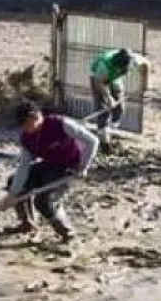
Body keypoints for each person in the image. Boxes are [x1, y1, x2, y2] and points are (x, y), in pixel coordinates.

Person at [10, 101, 99, 242]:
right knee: (14, 183)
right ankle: (28, 224)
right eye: (22, 126)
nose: (25, 129)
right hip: (50, 165)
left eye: (27, 124)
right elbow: (24, 166)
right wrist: (14, 193)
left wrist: (83, 166)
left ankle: (68, 233)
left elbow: (93, 141)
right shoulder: (26, 138)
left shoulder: (60, 124)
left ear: (35, 117)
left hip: (70, 168)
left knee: (44, 201)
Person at [87, 47, 149, 136]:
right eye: (122, 68)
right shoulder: (104, 65)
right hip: (98, 77)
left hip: (114, 77)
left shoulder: (133, 60)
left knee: (119, 103)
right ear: (116, 65)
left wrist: (145, 84)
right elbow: (99, 83)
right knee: (103, 105)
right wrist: (109, 98)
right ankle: (102, 131)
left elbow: (146, 64)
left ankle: (113, 125)